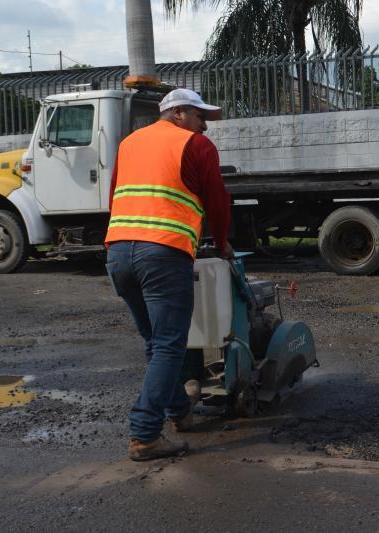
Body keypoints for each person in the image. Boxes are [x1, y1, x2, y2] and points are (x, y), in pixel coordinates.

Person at [105, 88, 233, 461]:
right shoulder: (195, 145)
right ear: (178, 113)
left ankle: (180, 411)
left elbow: (114, 197)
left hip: (118, 251)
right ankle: (145, 434)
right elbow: (217, 199)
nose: (204, 126)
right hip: (163, 252)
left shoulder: (129, 143)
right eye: (200, 117)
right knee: (169, 345)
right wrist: (222, 241)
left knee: (155, 341)